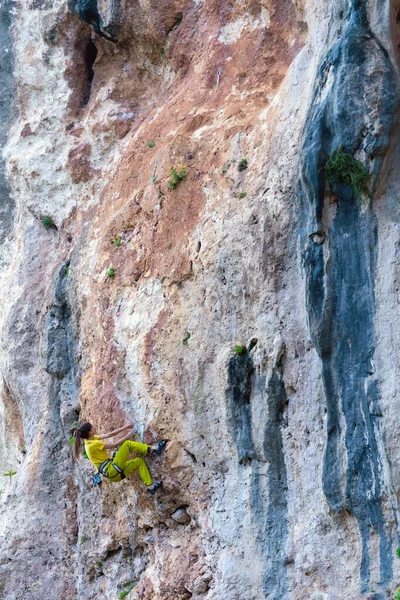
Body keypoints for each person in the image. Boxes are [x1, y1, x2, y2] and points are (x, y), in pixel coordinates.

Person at [72, 421, 166, 494]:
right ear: (90, 432)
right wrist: (129, 434)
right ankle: (153, 449)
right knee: (127, 444)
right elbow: (115, 444)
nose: (94, 427)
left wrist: (126, 427)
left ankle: (150, 486)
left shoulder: (90, 440)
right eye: (92, 427)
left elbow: (110, 434)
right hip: (112, 469)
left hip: (113, 475)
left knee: (139, 462)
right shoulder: (92, 445)